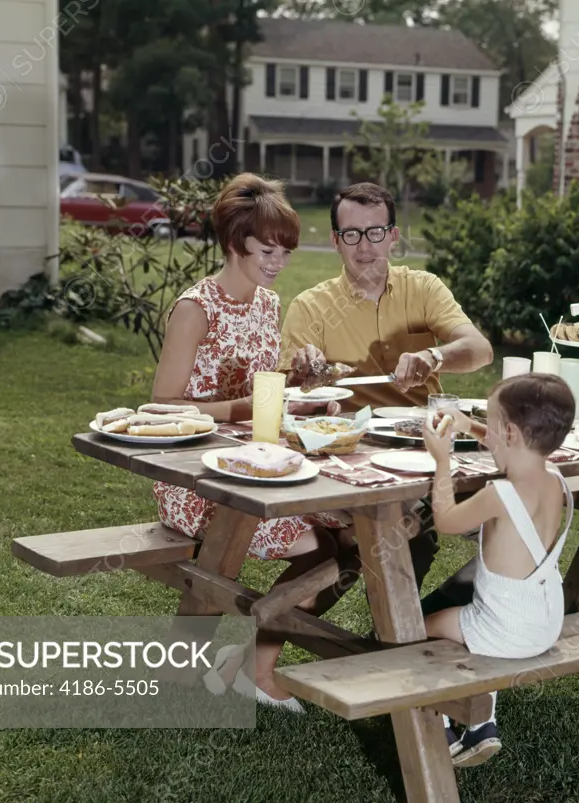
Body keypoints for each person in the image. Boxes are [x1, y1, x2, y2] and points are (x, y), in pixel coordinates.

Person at [149, 172, 355, 712]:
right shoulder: (196, 308)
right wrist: (251, 408)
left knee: (354, 539)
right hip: (194, 478)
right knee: (324, 551)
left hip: (254, 463)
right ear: (235, 242)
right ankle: (253, 663)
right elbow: (161, 406)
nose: (279, 261)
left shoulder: (266, 303)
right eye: (268, 249)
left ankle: (248, 663)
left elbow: (267, 389)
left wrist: (304, 388)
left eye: (285, 250)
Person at [280, 182, 494, 592]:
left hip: (429, 441)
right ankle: (400, 635)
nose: (365, 246)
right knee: (407, 532)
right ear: (335, 242)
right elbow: (289, 396)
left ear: (393, 235)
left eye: (375, 232)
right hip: (357, 455)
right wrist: (303, 373)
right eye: (352, 235)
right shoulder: (311, 306)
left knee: (513, 517)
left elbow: (480, 350)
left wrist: (435, 356)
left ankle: (452, 616)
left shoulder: (423, 288)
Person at [421, 373, 576, 767]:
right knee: (460, 617)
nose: (485, 432)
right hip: (544, 621)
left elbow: (445, 520)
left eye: (488, 424)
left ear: (509, 432)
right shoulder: (554, 480)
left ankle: (442, 725)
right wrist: (466, 423)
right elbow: (508, 441)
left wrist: (442, 461)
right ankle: (481, 727)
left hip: (504, 629)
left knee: (419, 628)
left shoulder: (499, 495)